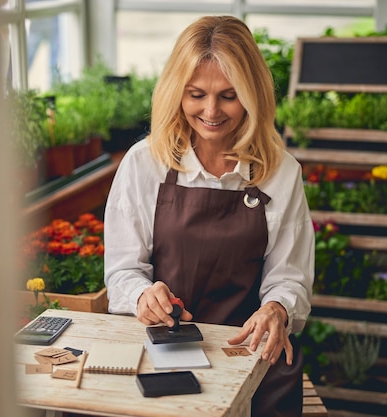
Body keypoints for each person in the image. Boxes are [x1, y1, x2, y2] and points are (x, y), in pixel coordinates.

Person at [103, 15, 314, 417]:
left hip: (248, 352)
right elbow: (122, 272)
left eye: (229, 96)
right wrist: (143, 296)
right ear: (176, 93)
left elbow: (290, 277)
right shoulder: (143, 164)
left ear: (252, 95)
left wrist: (278, 309)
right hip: (163, 347)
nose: (211, 111)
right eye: (196, 94)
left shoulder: (281, 172)